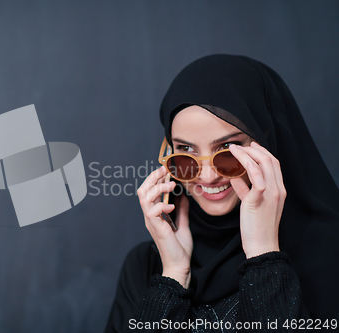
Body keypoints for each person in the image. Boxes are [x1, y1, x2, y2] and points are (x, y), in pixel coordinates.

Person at [104, 54, 339, 332]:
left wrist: (264, 257)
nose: (207, 176)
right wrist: (174, 276)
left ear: (268, 141)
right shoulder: (147, 265)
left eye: (227, 149)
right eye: (186, 151)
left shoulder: (330, 255)